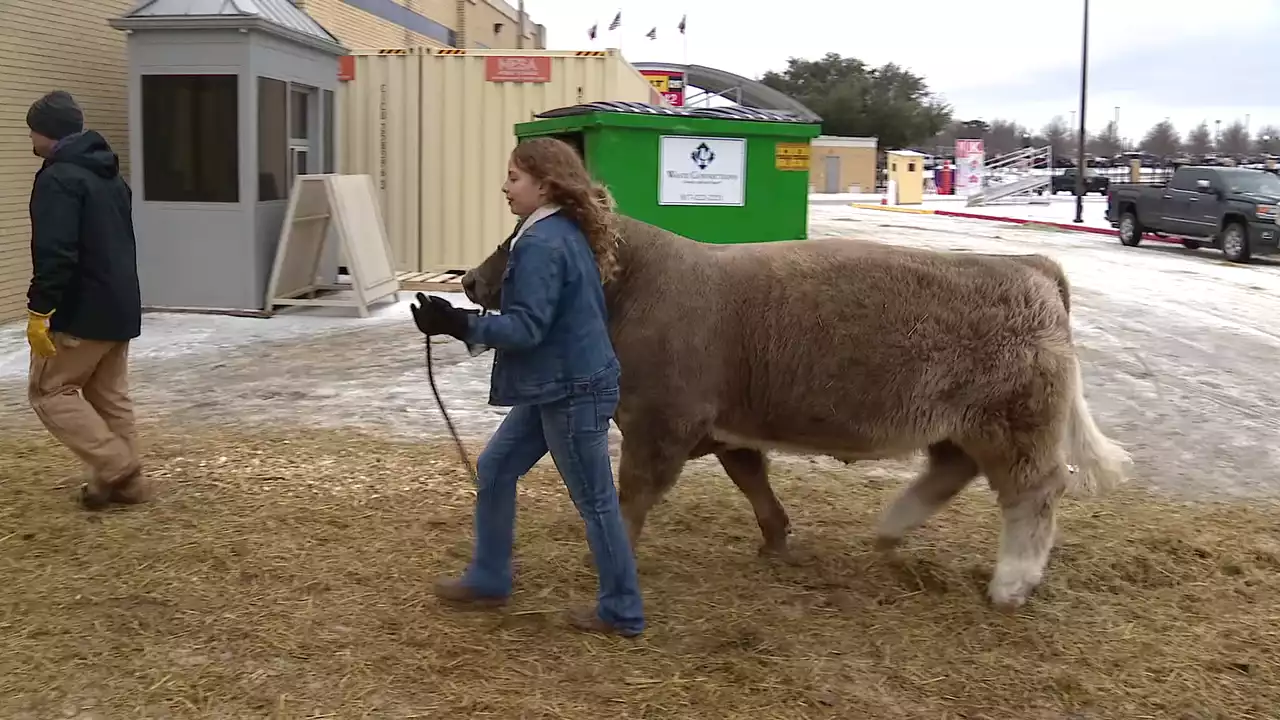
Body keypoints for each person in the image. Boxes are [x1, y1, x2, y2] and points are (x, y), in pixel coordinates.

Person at [409, 137, 645, 637]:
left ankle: (621, 611)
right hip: (559, 381)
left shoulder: (543, 242)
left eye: (514, 177)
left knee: (596, 500)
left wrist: (461, 324)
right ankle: (490, 577)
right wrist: (459, 320)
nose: (505, 186)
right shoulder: (555, 229)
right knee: (495, 468)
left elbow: (526, 328)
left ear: (545, 183)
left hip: (570, 388)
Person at [24, 90, 148, 510]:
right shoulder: (110, 176)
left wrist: (40, 309)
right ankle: (118, 487)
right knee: (107, 397)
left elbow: (56, 252)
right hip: (120, 305)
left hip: (81, 311)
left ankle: (117, 466)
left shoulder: (58, 178)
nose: (32, 142)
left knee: (49, 393)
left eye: (33, 132)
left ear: (47, 132)